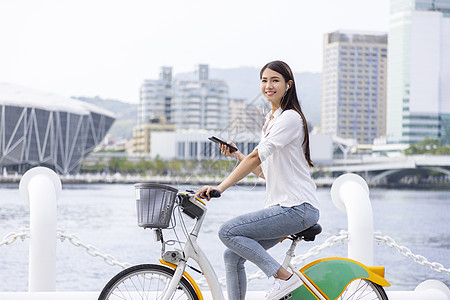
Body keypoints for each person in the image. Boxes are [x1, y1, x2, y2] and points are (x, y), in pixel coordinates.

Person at [196, 60, 320, 300]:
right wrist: (237, 155)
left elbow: (255, 157)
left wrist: (220, 188)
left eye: (275, 80)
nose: (268, 85)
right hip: (285, 207)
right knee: (232, 256)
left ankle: (283, 277)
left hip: (297, 208)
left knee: (227, 232)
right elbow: (265, 171)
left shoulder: (290, 118)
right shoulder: (272, 119)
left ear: (288, 85)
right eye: (264, 80)